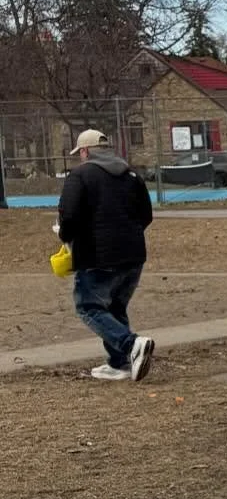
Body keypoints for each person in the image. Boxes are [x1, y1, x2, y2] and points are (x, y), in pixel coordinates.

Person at [57, 129, 155, 382]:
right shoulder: (132, 175)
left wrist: (65, 235)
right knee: (115, 307)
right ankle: (119, 363)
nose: (80, 157)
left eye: (80, 152)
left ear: (86, 151)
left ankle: (130, 344)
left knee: (88, 307)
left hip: (97, 255)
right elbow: (146, 214)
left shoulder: (81, 175)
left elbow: (69, 215)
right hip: (133, 254)